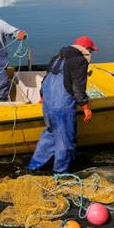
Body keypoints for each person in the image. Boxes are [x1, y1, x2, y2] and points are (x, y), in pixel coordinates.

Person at [27, 36, 98, 173]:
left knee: (50, 134)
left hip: (48, 104)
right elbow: (78, 87)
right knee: (65, 140)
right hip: (62, 107)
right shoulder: (79, 61)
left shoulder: (56, 58)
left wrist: (42, 97)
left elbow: (45, 80)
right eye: (91, 51)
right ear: (86, 49)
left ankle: (34, 167)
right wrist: (86, 107)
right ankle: (60, 173)